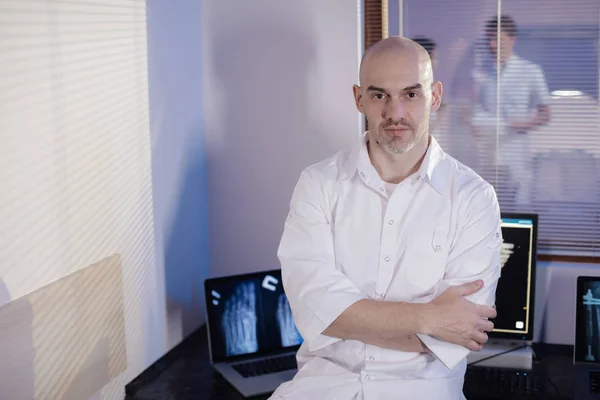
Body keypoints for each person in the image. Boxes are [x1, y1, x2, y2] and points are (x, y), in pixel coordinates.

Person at [269, 37, 502, 400]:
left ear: (435, 96)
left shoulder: (474, 199)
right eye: (380, 95)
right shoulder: (317, 184)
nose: (395, 113)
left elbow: (459, 333)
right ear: (359, 98)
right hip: (321, 390)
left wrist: (350, 319)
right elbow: (315, 311)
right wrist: (428, 318)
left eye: (411, 94)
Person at [469, 15, 551, 205]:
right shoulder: (482, 72)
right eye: (489, 39)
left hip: (516, 153)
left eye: (498, 39)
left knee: (517, 209)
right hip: (488, 156)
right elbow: (473, 110)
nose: (492, 44)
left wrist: (522, 124)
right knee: (487, 209)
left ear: (512, 40)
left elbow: (546, 113)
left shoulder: (530, 71)